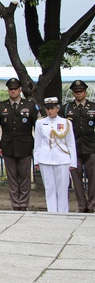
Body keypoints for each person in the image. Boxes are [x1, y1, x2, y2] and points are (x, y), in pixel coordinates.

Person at [0, 78, 38, 211]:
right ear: (8, 90)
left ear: (20, 90)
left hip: (25, 146)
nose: (13, 91)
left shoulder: (29, 105)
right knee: (12, 177)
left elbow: (37, 127)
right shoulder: (1, 106)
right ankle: (15, 204)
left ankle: (23, 204)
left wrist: (37, 146)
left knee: (24, 177)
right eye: (11, 89)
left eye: (15, 89)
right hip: (8, 146)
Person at [34, 97, 77, 213]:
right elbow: (37, 143)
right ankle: (52, 212)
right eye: (47, 109)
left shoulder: (66, 122)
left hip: (62, 158)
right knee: (49, 188)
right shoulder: (40, 122)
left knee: (62, 189)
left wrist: (73, 161)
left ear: (57, 109)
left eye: (52, 108)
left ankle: (63, 212)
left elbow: (71, 143)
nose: (50, 111)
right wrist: (36, 160)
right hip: (45, 158)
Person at [65, 80, 95, 213]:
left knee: (93, 179)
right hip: (74, 149)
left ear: (85, 92)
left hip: (91, 147)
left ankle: (92, 205)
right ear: (73, 93)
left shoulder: (93, 107)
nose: (78, 94)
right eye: (76, 92)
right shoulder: (67, 108)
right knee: (77, 180)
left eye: (81, 91)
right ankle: (82, 206)